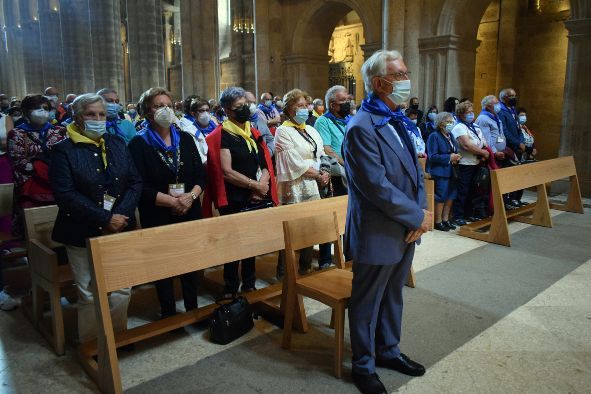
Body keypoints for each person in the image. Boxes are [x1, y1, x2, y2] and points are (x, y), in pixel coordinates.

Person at [345, 49, 431, 394]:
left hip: (404, 227)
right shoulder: (361, 127)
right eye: (399, 75)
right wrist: (417, 216)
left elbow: (414, 175)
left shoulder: (396, 119)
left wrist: (420, 215)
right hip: (378, 229)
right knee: (367, 301)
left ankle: (388, 351)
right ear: (379, 83)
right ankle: (363, 366)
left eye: (404, 72)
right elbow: (376, 187)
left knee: (393, 293)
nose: (405, 80)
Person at [50, 93, 141, 343]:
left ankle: (117, 338)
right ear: (77, 118)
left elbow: (134, 182)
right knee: (89, 292)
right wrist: (104, 219)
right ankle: (92, 344)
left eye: (101, 114)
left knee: (122, 287)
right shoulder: (63, 151)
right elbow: (65, 195)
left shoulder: (117, 143)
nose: (97, 119)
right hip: (81, 229)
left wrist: (121, 215)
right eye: (90, 114)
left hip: (119, 226)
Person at [129, 87, 206, 318]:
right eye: (158, 105)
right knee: (163, 264)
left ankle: (193, 307)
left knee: (191, 261)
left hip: (190, 208)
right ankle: (168, 311)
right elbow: (138, 185)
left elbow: (201, 176)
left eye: (168, 105)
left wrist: (190, 196)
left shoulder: (186, 139)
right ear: (147, 112)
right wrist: (171, 202)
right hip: (158, 212)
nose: (165, 109)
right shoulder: (138, 144)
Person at [203, 87, 278, 298]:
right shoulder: (223, 134)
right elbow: (226, 171)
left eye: (246, 104)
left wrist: (263, 184)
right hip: (234, 197)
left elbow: (265, 162)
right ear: (227, 110)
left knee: (251, 243)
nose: (245, 109)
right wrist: (254, 186)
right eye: (239, 107)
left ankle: (249, 284)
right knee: (233, 245)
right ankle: (230, 287)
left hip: (255, 194)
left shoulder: (252, 131)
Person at [274, 89, 330, 278]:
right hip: (295, 187)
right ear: (289, 109)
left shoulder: (311, 129)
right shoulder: (283, 131)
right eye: (299, 106)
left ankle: (305, 269)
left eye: (306, 105)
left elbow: (322, 154)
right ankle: (285, 273)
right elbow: (293, 162)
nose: (304, 109)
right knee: (293, 231)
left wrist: (325, 172)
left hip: (314, 185)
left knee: (310, 228)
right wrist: (318, 174)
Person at [7, 94, 67, 237]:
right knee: (34, 229)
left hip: (57, 184)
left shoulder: (58, 131)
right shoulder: (17, 133)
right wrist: (43, 172)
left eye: (45, 108)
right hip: (30, 184)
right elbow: (19, 161)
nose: (42, 111)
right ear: (26, 112)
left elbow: (65, 157)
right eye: (36, 108)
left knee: (59, 226)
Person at [451, 101, 490, 225]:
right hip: (465, 163)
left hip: (476, 162)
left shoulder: (475, 126)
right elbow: (467, 145)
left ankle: (468, 214)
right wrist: (482, 153)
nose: (471, 114)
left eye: (472, 111)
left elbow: (483, 142)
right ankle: (458, 216)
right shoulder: (459, 127)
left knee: (472, 190)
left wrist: (483, 151)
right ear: (461, 114)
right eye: (468, 112)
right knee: (463, 191)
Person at [426, 112, 461, 231]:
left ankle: (446, 219)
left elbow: (455, 150)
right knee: (441, 197)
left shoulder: (450, 135)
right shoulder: (434, 136)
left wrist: (457, 157)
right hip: (440, 172)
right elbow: (432, 156)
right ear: (441, 124)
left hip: (452, 171)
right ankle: (438, 221)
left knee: (451, 196)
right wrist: (449, 158)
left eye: (452, 122)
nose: (451, 124)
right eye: (448, 122)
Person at [314, 85, 350, 196]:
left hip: (353, 169)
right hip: (338, 172)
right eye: (343, 101)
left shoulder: (348, 119)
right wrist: (347, 165)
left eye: (348, 99)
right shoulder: (323, 121)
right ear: (332, 105)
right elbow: (327, 150)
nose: (347, 103)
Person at [498, 88, 525, 205]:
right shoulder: (501, 111)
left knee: (515, 176)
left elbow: (519, 128)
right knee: (506, 176)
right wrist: (517, 143)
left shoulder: (513, 110)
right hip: (508, 148)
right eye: (511, 96)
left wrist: (522, 141)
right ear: (504, 98)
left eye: (515, 95)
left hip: (517, 148)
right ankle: (504, 200)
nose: (514, 98)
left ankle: (513, 198)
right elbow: (504, 131)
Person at [177, 96, 211, 164]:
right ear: (193, 113)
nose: (205, 114)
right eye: (201, 111)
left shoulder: (214, 127)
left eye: (207, 110)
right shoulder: (189, 132)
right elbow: (200, 159)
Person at [245, 91, 275, 156]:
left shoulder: (260, 120)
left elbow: (270, 140)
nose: (252, 105)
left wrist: (267, 153)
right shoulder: (239, 122)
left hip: (263, 160)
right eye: (249, 102)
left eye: (254, 102)